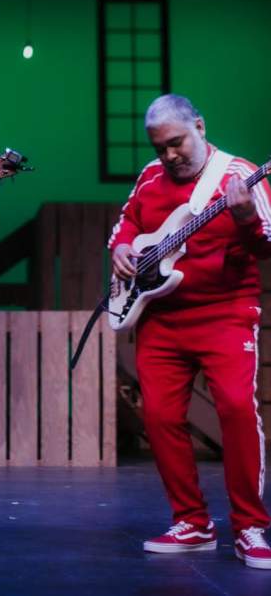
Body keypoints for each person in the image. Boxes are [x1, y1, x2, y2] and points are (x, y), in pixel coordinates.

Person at [109, 93, 271, 570]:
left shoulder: (240, 175)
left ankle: (250, 527)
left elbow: (267, 244)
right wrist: (119, 248)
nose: (169, 156)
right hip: (161, 316)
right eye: (160, 148)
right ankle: (192, 522)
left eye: (176, 143)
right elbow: (127, 223)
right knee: (159, 417)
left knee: (239, 410)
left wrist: (244, 219)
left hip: (225, 311)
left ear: (199, 126)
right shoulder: (150, 177)